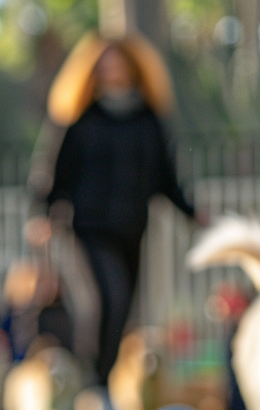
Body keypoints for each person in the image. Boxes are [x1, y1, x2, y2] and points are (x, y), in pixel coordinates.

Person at [26, 33, 202, 390]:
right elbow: (53, 170)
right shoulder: (79, 117)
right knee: (109, 298)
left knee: (123, 310)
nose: (113, 70)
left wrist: (194, 213)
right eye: (105, 64)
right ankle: (94, 384)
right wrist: (42, 212)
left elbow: (166, 179)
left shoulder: (149, 119)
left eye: (119, 63)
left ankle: (103, 386)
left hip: (133, 228)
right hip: (88, 228)